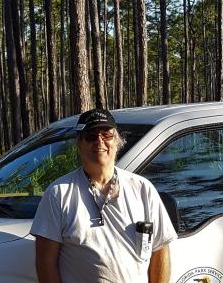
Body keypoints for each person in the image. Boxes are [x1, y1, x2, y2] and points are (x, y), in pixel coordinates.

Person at [31, 108, 177, 283]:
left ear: (117, 142)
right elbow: (45, 263)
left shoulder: (143, 189)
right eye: (91, 136)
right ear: (79, 144)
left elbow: (160, 250)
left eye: (106, 135)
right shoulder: (58, 193)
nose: (99, 141)